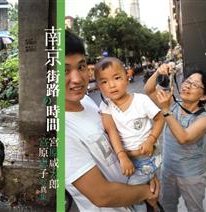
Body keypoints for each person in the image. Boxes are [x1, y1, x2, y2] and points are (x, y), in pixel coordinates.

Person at [65, 30, 160, 211]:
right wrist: (148, 191)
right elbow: (102, 195)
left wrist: (145, 172)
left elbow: (115, 138)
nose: (77, 79)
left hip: (136, 192)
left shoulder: (88, 102)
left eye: (81, 66)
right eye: (64, 70)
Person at [94, 57, 165, 211]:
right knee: (143, 191)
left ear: (127, 77)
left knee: (132, 193)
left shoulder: (141, 100)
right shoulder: (106, 106)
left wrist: (151, 140)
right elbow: (111, 131)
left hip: (147, 157)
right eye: (104, 82)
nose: (111, 85)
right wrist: (123, 156)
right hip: (128, 160)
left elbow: (160, 119)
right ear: (99, 86)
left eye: (117, 78)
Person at [144, 64, 206, 212]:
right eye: (187, 82)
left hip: (191, 175)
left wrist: (165, 110)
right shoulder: (174, 104)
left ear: (203, 96)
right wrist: (158, 72)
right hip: (168, 170)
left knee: (194, 209)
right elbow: (148, 90)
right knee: (168, 206)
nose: (187, 86)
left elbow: (184, 137)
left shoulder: (204, 118)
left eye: (194, 85)